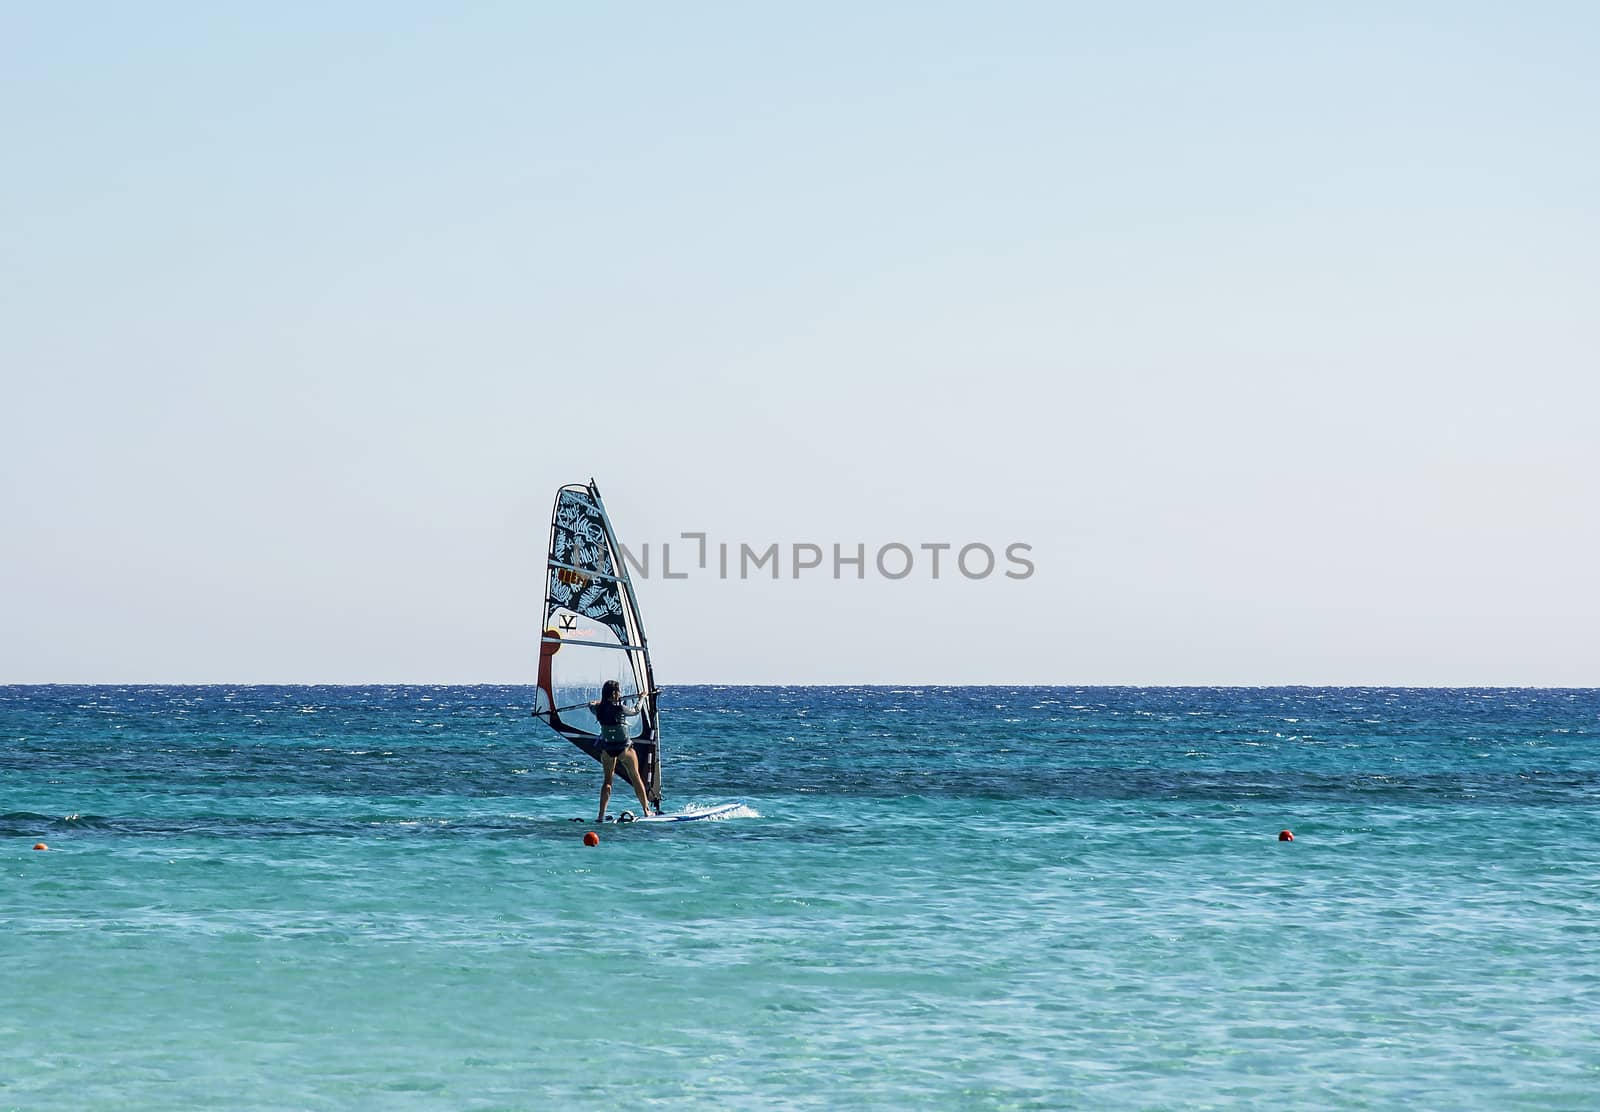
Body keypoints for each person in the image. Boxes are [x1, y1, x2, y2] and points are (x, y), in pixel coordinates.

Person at [590, 680, 654, 821]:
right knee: (636, 777)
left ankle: (600, 815)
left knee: (607, 781)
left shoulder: (598, 709)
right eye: (618, 691)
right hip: (624, 748)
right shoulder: (620, 708)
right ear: (614, 693)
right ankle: (646, 810)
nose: (620, 693)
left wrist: (593, 703)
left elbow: (591, 707)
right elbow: (636, 710)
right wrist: (642, 697)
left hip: (607, 749)